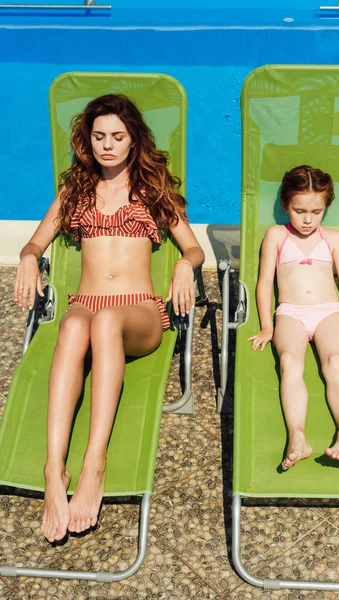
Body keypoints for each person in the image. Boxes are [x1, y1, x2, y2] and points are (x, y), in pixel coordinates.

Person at [14, 94, 204, 543]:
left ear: (134, 140)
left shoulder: (153, 192)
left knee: (102, 322)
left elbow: (194, 248)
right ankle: (53, 470)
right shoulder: (74, 193)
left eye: (118, 136)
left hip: (138, 312)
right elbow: (35, 243)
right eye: (99, 136)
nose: (108, 145)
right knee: (78, 323)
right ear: (87, 140)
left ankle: (93, 463)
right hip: (86, 303)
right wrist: (26, 257)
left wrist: (183, 265)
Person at [248, 165, 339, 471]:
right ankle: (297, 437)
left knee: (336, 363)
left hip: (328, 311)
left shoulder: (334, 239)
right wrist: (267, 324)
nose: (307, 219)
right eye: (299, 210)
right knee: (289, 362)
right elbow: (264, 283)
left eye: (316, 212)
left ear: (326, 208)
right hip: (290, 312)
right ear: (286, 205)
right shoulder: (277, 235)